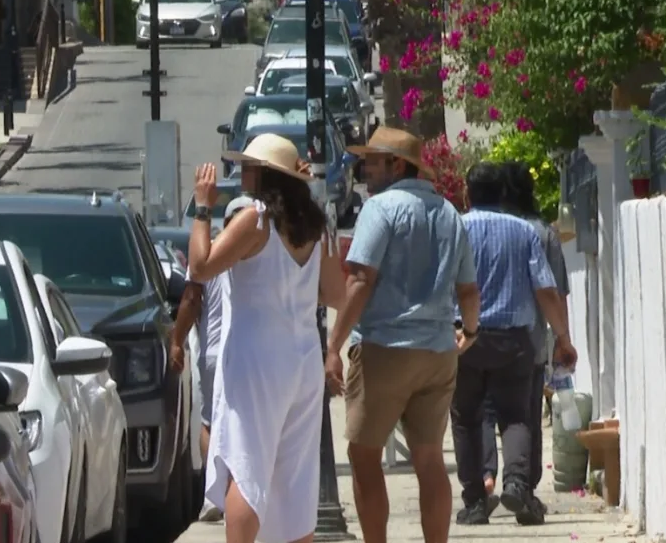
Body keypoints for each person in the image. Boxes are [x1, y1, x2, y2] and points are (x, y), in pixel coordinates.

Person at [324, 126, 481, 543]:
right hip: (438, 350)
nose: (365, 169)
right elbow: (468, 289)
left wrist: (333, 345)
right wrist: (470, 330)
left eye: (372, 161)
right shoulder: (449, 213)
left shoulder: (381, 208)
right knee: (429, 459)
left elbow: (360, 279)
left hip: (385, 350)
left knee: (363, 454)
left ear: (397, 165)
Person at [188, 134, 346, 543]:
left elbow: (201, 266)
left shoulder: (255, 220)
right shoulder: (317, 227)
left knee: (247, 468)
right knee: (295, 478)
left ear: (263, 175)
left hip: (256, 357)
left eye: (248, 166)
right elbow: (335, 294)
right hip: (302, 356)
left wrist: (203, 209)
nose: (241, 173)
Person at [451, 162, 577, 526]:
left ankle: (475, 500)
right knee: (517, 415)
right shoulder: (525, 232)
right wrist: (563, 338)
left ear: (467, 193)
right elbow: (546, 289)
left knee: (467, 417)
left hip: (464, 337)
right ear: (502, 195)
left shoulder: (455, 229)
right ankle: (518, 484)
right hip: (515, 340)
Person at [169, 195, 254, 522]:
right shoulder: (259, 249)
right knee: (244, 421)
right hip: (247, 350)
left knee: (210, 422)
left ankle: (215, 494)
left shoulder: (209, 252)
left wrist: (177, 340)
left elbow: (191, 298)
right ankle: (238, 488)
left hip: (214, 352)